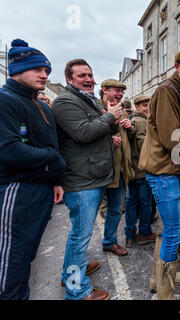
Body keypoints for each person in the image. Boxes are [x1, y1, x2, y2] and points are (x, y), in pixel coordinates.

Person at [0, 39, 65, 300]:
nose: (44, 75)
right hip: (18, 191)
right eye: (37, 69)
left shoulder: (36, 102)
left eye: (47, 70)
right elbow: (9, 150)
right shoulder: (6, 100)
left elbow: (49, 141)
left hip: (42, 188)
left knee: (26, 255)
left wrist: (55, 181)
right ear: (16, 70)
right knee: (12, 260)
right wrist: (52, 160)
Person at [138, 49, 180, 299]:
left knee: (171, 228)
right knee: (176, 230)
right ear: (177, 66)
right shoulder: (168, 91)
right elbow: (171, 138)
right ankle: (163, 293)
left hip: (169, 170)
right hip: (162, 171)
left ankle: (158, 278)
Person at [53, 59, 123, 300]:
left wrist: (113, 119)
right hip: (82, 181)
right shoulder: (65, 102)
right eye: (82, 75)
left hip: (94, 177)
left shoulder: (89, 99)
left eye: (90, 75)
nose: (89, 79)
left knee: (80, 235)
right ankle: (76, 290)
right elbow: (83, 133)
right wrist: (109, 117)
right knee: (80, 237)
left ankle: (70, 272)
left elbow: (103, 130)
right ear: (69, 79)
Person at [98, 79, 135, 257]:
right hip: (99, 171)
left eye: (122, 92)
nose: (120, 95)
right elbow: (86, 133)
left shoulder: (123, 111)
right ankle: (78, 256)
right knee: (87, 215)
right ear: (104, 90)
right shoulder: (95, 109)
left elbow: (131, 138)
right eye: (116, 91)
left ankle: (110, 242)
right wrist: (108, 140)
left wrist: (131, 128)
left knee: (115, 209)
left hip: (119, 169)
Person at [124, 95, 157, 247]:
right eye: (144, 105)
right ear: (136, 107)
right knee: (145, 203)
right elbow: (143, 144)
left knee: (132, 202)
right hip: (141, 170)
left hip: (133, 170)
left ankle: (129, 235)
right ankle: (144, 233)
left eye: (149, 105)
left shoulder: (135, 120)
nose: (147, 108)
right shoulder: (140, 121)